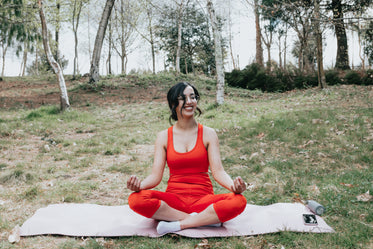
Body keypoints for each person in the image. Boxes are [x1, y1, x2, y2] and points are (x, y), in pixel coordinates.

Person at [127, 82, 247, 235]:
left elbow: (218, 172)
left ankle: (177, 225)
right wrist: (139, 186)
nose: (189, 102)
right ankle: (204, 220)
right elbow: (155, 177)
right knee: (135, 199)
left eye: (193, 97)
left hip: (203, 199)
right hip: (174, 202)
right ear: (173, 103)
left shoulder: (209, 134)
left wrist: (233, 187)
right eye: (183, 98)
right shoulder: (164, 136)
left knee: (239, 200)